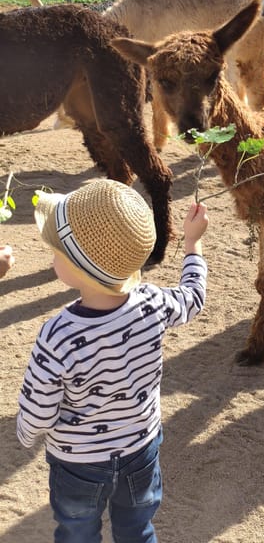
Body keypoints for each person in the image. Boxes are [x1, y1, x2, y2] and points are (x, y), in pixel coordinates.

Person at [17, 179, 208, 543]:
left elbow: (38, 412)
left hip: (77, 464)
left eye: (57, 251)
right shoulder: (154, 302)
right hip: (141, 448)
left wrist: (25, 433)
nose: (52, 256)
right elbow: (192, 297)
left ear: (78, 267)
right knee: (137, 530)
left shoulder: (56, 335)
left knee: (77, 533)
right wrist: (192, 243)